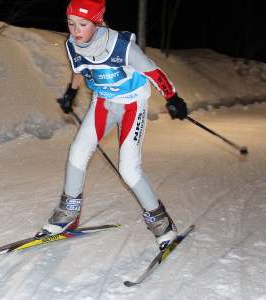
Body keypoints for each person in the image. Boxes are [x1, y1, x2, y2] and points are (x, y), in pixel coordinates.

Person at [41, 0, 188, 250]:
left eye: (83, 24)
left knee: (129, 169)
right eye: (71, 23)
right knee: (77, 151)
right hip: (104, 102)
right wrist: (71, 92)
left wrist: (173, 98)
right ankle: (68, 213)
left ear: (97, 23)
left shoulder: (122, 47)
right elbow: (80, 68)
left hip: (132, 104)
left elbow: (154, 73)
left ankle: (162, 224)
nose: (76, 30)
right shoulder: (72, 44)